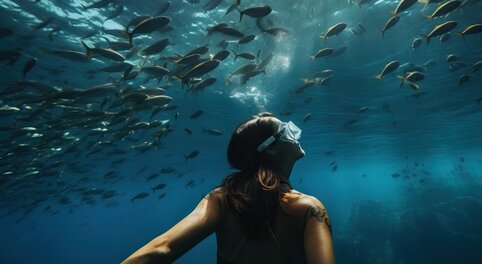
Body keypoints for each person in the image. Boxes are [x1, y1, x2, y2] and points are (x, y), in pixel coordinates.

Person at [122, 112, 335, 264]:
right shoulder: (309, 209)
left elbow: (162, 249)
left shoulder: (222, 199)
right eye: (286, 131)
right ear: (269, 150)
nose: (294, 133)